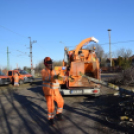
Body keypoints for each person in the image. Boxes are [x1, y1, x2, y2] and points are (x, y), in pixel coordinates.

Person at [41, 57, 64, 126]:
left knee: (61, 102)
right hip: (48, 92)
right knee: (51, 107)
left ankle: (58, 114)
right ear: (45, 64)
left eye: (51, 62)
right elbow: (46, 78)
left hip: (55, 90)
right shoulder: (43, 71)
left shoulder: (54, 71)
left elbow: (60, 77)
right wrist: (53, 77)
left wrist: (67, 78)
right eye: (48, 63)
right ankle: (51, 119)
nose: (50, 64)